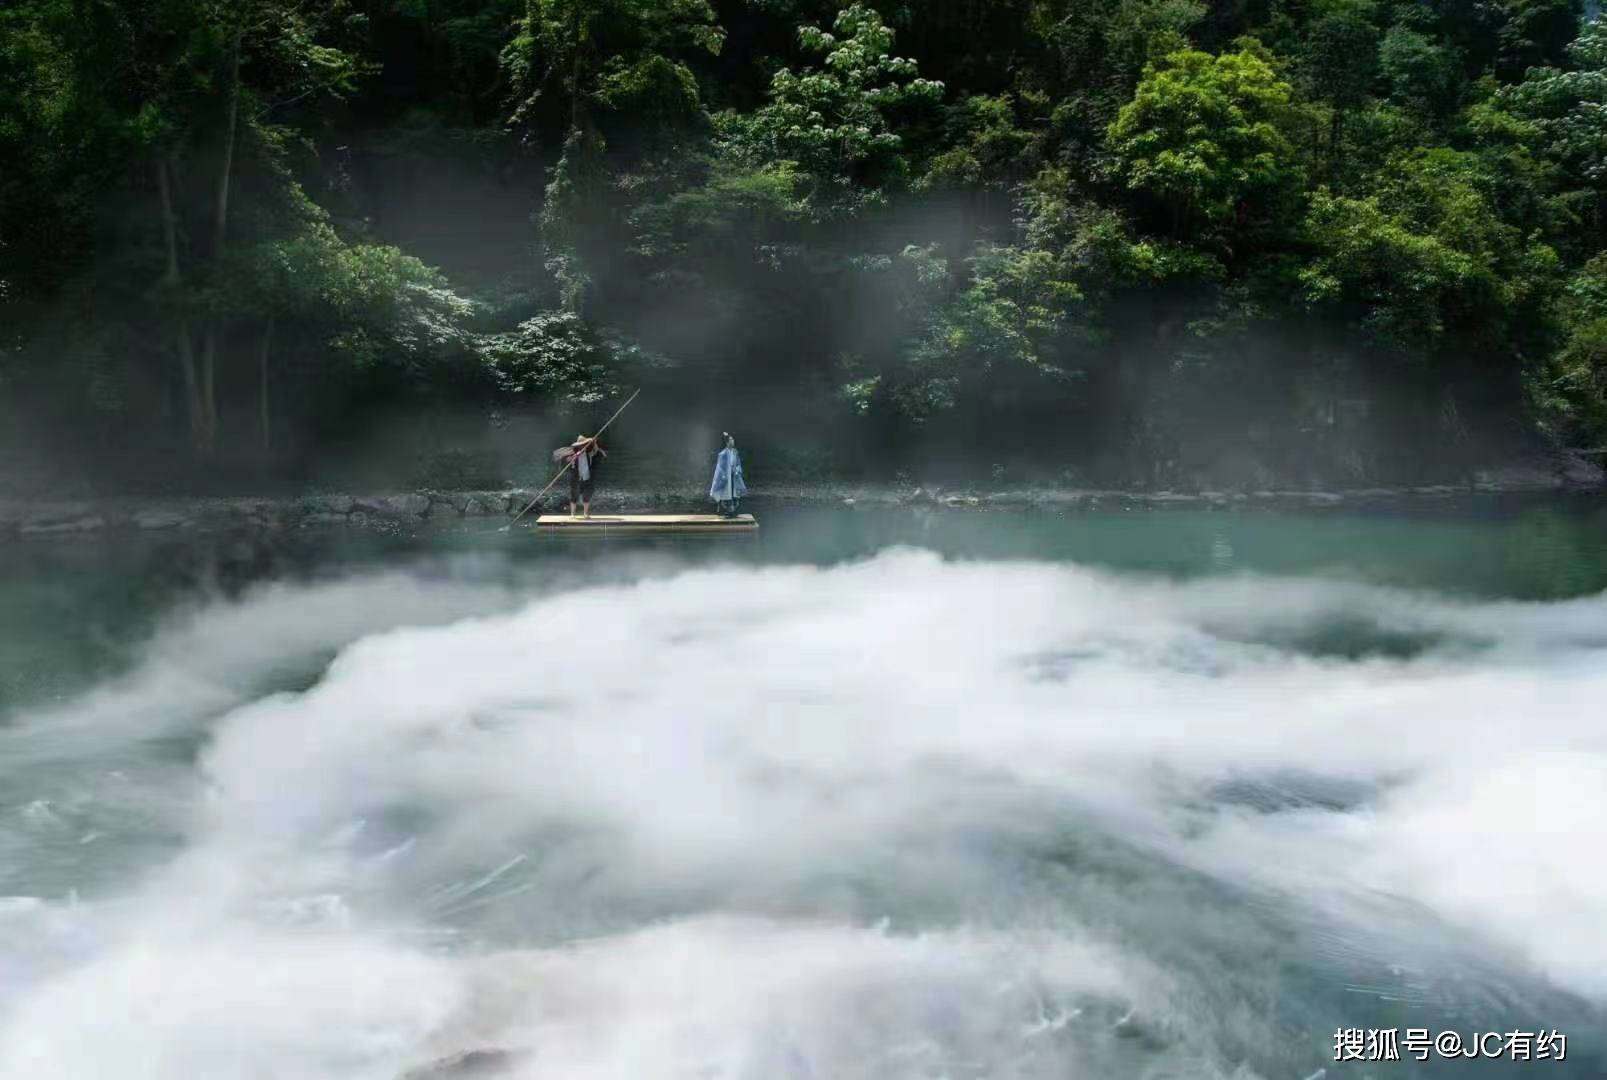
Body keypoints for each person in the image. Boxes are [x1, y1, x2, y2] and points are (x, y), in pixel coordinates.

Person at [561, 434, 605, 518]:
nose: (583, 447)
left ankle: (585, 513)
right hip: (576, 478)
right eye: (582, 445)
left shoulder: (590, 454)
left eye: (584, 445)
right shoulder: (573, 454)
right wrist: (573, 458)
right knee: (574, 496)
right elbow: (566, 461)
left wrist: (594, 442)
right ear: (579, 446)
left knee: (587, 495)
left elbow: (596, 450)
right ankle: (573, 514)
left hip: (587, 477)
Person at [709, 432, 746, 517]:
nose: (733, 441)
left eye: (733, 439)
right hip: (726, 477)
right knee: (726, 493)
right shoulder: (723, 454)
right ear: (727, 442)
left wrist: (737, 469)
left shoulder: (735, 452)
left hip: (734, 476)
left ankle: (733, 509)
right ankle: (728, 509)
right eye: (731, 440)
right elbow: (720, 467)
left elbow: (738, 463)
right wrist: (724, 475)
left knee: (735, 492)